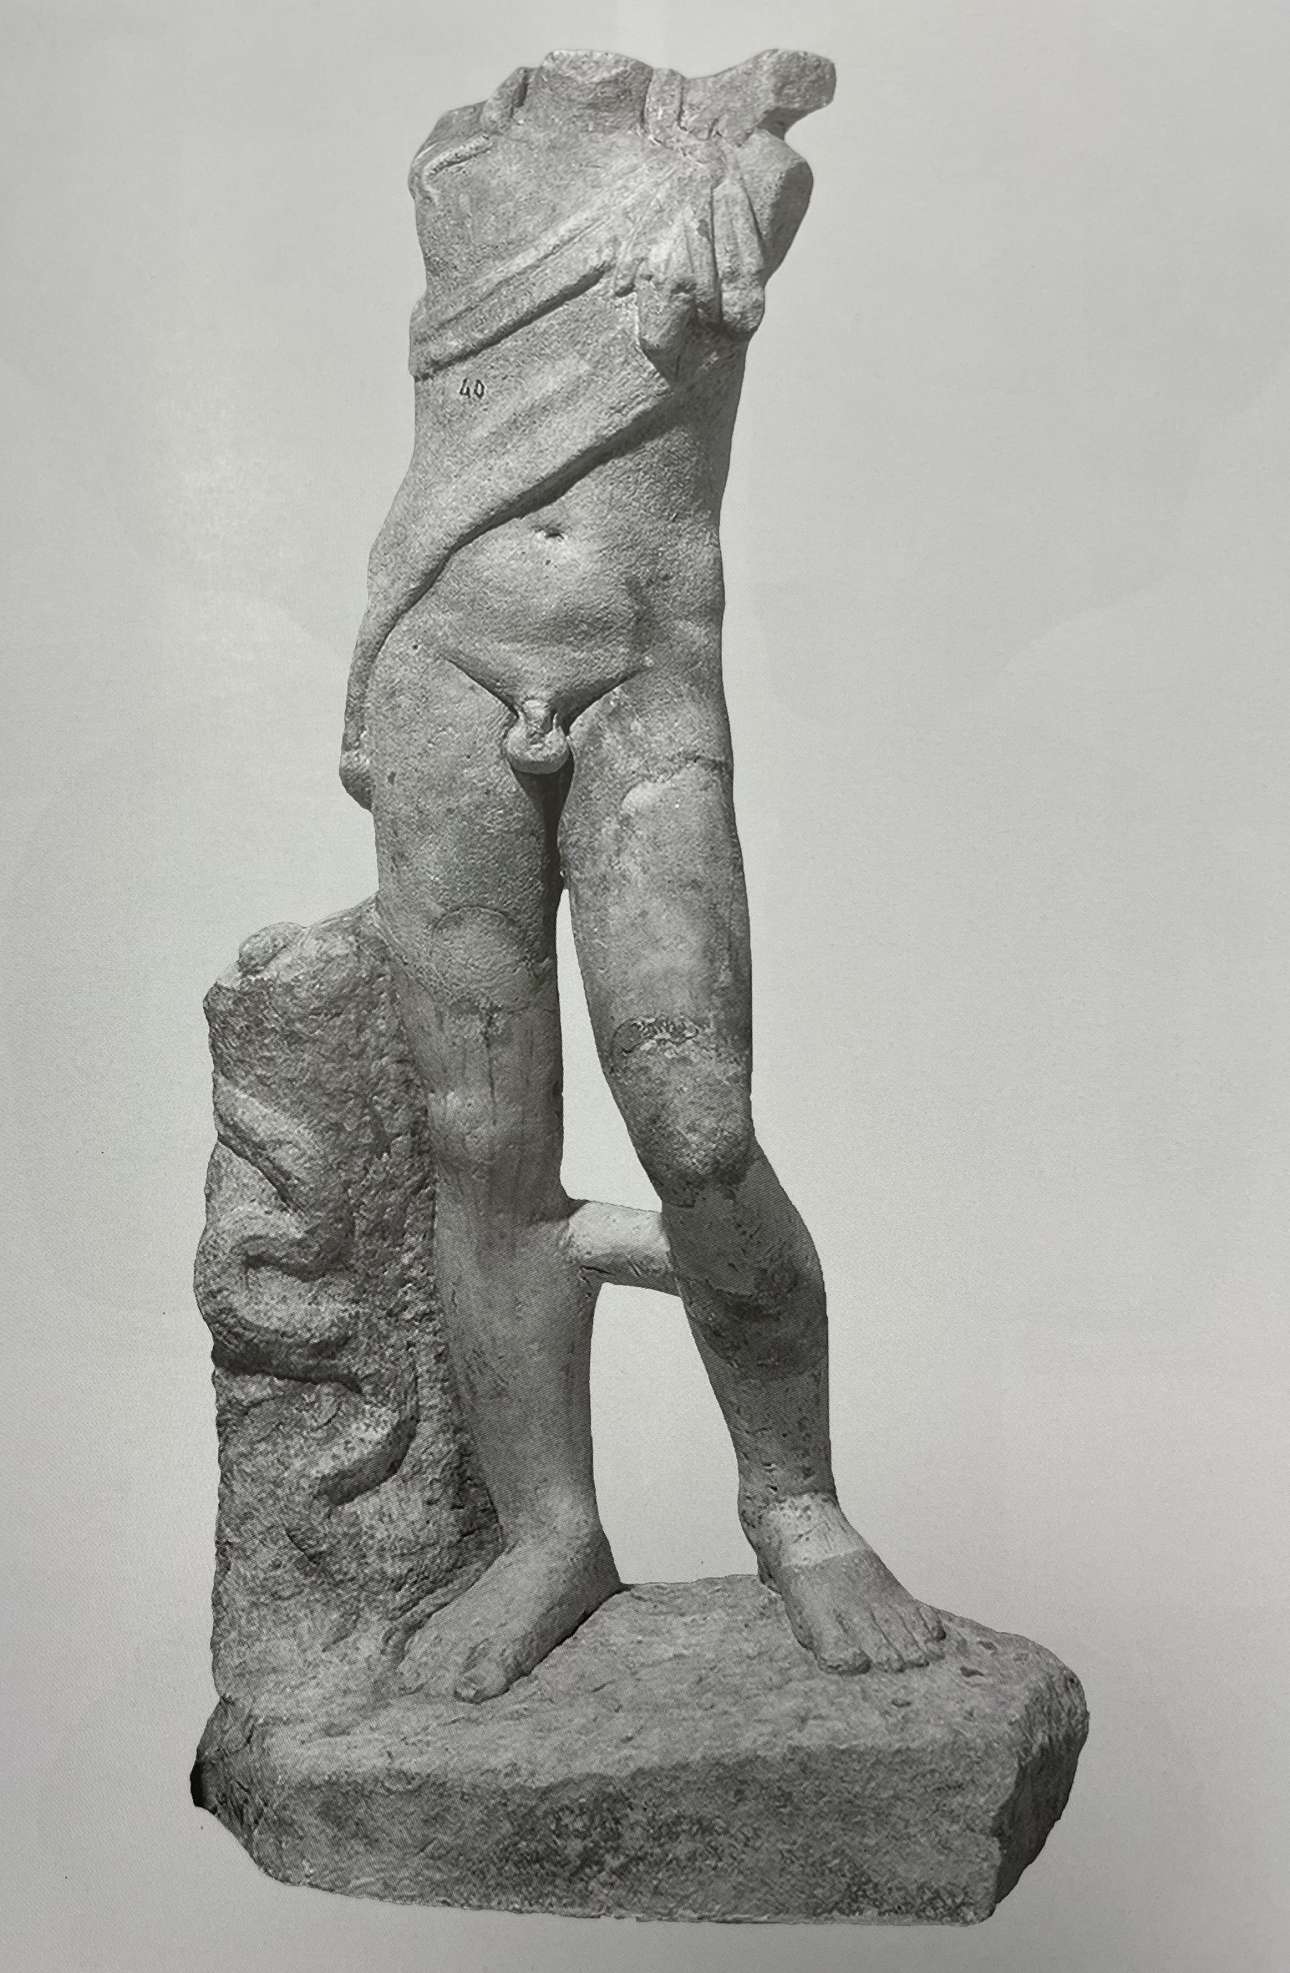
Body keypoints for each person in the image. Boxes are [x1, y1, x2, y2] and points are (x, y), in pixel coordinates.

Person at [346, 49, 944, 1702]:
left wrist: (749, 110)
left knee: (697, 1124)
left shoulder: (737, 169)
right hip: (441, 661)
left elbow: (770, 140)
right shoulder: (455, 165)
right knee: (481, 1143)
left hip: (641, 672)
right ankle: (548, 1532)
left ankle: (795, 1501)